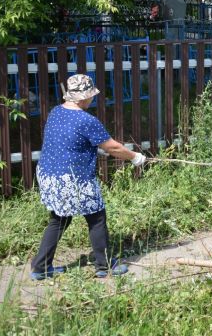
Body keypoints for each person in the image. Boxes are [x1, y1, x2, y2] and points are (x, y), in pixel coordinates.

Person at [30, 74, 146, 280]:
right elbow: (113, 147)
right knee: (96, 217)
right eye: (91, 95)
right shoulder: (86, 120)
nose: (93, 99)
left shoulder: (56, 112)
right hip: (73, 179)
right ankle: (105, 266)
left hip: (49, 174)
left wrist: (92, 149)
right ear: (84, 97)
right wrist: (135, 157)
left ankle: (40, 267)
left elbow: (68, 141)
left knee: (59, 219)